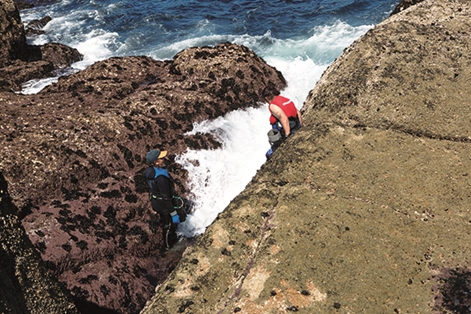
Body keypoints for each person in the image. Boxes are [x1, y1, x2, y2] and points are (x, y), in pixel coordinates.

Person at [144, 149, 178, 250]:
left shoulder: (148, 172)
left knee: (167, 222)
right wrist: (173, 213)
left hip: (155, 200)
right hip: (163, 204)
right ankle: (168, 246)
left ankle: (171, 237)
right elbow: (166, 197)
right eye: (161, 158)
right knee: (167, 224)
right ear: (156, 162)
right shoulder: (161, 178)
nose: (164, 159)